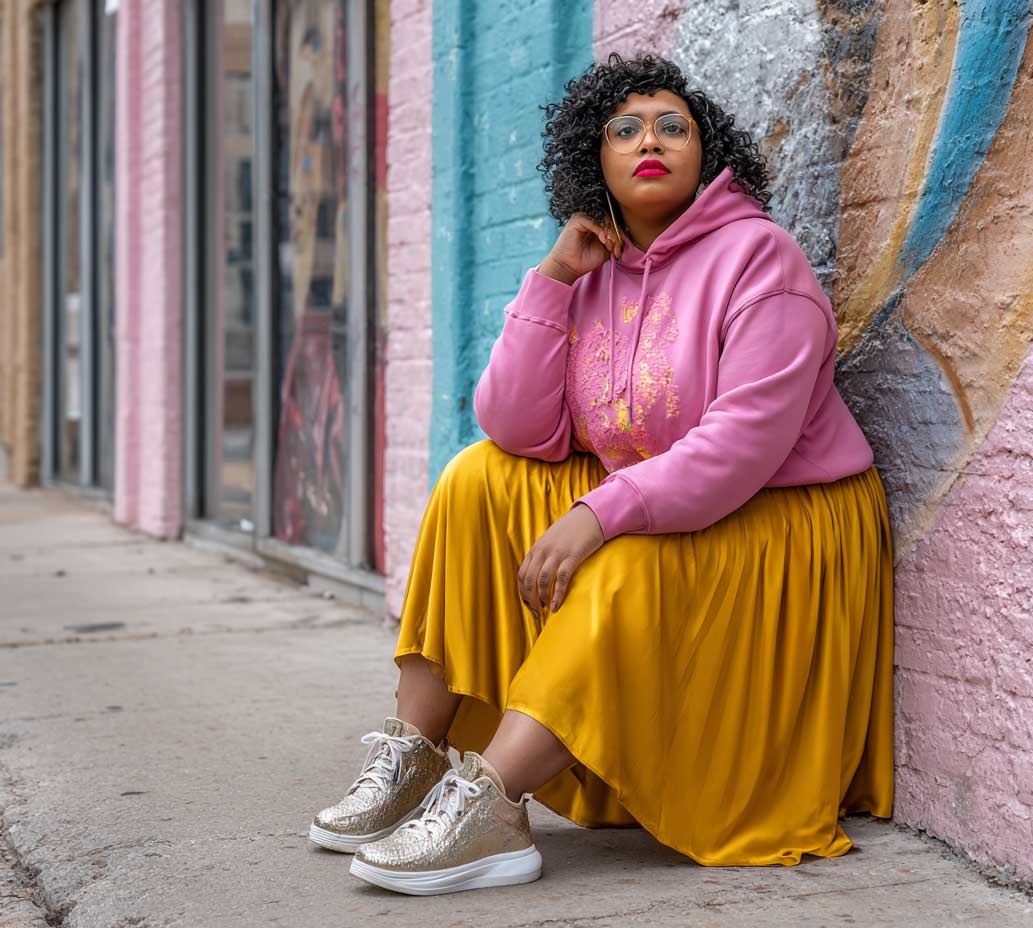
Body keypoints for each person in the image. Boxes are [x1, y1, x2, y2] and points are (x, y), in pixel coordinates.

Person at [309, 51, 895, 896]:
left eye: (672, 126)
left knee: (618, 559)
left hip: (783, 516)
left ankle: (495, 803)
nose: (649, 141)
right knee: (477, 480)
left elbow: (742, 445)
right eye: (624, 129)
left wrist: (597, 512)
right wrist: (553, 280)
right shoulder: (593, 272)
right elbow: (518, 426)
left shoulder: (762, 261)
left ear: (705, 152)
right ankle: (418, 752)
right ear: (596, 159)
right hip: (660, 497)